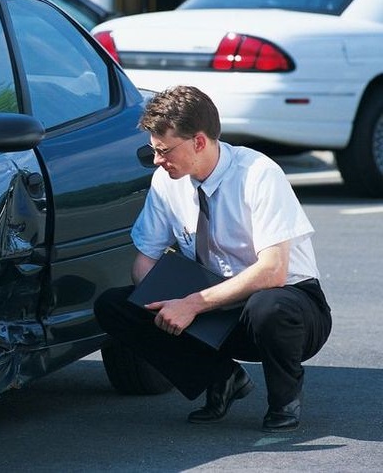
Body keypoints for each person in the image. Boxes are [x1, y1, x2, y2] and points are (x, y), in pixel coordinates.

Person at [94, 85, 332, 432]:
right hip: (211, 300)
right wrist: (163, 304)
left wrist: (192, 304)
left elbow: (273, 271)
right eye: (153, 152)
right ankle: (221, 378)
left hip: (287, 307)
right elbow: (143, 263)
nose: (158, 161)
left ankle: (284, 400)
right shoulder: (167, 180)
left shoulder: (258, 173)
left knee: (268, 306)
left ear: (199, 142)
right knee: (115, 305)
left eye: (164, 151)